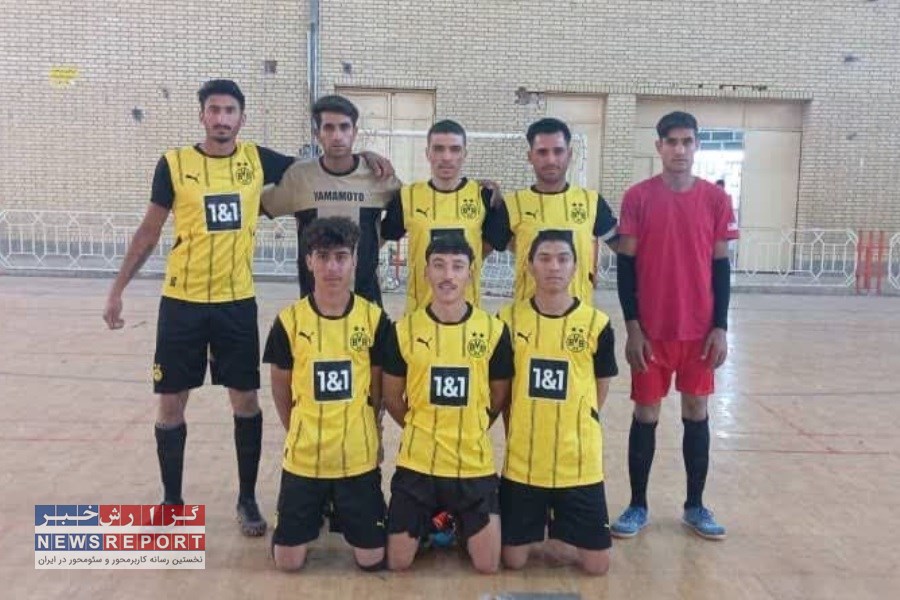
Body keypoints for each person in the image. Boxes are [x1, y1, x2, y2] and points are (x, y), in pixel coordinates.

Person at [102, 79, 298, 536]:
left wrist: (369, 160)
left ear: (242, 118)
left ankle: (247, 499)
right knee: (171, 402)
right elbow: (149, 231)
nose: (222, 118)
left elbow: (322, 168)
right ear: (202, 115)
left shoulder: (258, 160)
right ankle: (172, 501)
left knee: (245, 401)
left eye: (230, 111)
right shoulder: (174, 164)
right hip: (182, 304)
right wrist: (117, 289)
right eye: (214, 110)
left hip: (236, 304)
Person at [611, 111, 739, 541]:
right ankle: (637, 505)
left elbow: (721, 267)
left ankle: (695, 505)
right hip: (651, 332)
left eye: (687, 141)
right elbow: (625, 266)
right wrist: (633, 326)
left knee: (696, 412)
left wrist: (720, 326)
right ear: (659, 147)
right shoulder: (638, 197)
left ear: (696, 145)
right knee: (645, 413)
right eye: (672, 142)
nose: (680, 149)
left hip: (699, 333)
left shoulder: (716, 200)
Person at [263, 217, 391, 571]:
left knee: (371, 560)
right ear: (309, 261)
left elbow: (378, 389)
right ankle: (314, 510)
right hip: (305, 459)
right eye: (322, 256)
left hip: (357, 459)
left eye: (340, 257)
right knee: (287, 563)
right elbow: (280, 387)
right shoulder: (289, 322)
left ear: (354, 260)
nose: (332, 267)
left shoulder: (374, 320)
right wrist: (299, 430)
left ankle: (342, 509)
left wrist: (370, 432)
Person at [381, 236, 513, 573]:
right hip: (418, 463)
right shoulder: (404, 331)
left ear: (470, 273)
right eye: (439, 265)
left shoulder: (494, 331)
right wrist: (423, 426)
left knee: (487, 565)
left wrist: (471, 426)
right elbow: (392, 397)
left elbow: (498, 396)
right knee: (397, 562)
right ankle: (434, 524)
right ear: (425, 272)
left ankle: (454, 524)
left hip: (472, 465)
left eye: (457, 266)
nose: (448, 275)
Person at [498, 230, 617, 575]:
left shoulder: (597, 324)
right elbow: (502, 391)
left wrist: (579, 421)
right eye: (545, 259)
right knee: (513, 561)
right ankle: (544, 528)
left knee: (597, 566)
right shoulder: (508, 320)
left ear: (575, 267)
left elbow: (599, 388)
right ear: (529, 266)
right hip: (525, 462)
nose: (554, 267)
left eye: (563, 259)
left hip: (577, 461)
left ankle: (560, 528)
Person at [261, 94, 402, 305]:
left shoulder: (378, 176)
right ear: (317, 134)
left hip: (366, 305)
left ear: (355, 132)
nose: (337, 136)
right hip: (313, 306)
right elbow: (254, 206)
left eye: (344, 127)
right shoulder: (299, 176)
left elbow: (411, 207)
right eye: (328, 128)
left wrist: (376, 242)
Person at [381, 119, 507, 314]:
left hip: (469, 316)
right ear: (427, 153)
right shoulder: (407, 197)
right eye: (438, 149)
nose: (447, 157)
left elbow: (494, 242)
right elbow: (382, 236)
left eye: (455, 149)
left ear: (464, 154)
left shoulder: (484, 196)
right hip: (419, 315)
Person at [490, 118, 618, 305]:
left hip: (579, 318)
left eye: (558, 151)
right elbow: (474, 253)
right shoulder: (512, 205)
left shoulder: (591, 202)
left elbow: (626, 249)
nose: (551, 160)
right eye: (542, 152)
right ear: (530, 156)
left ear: (570, 154)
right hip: (526, 318)